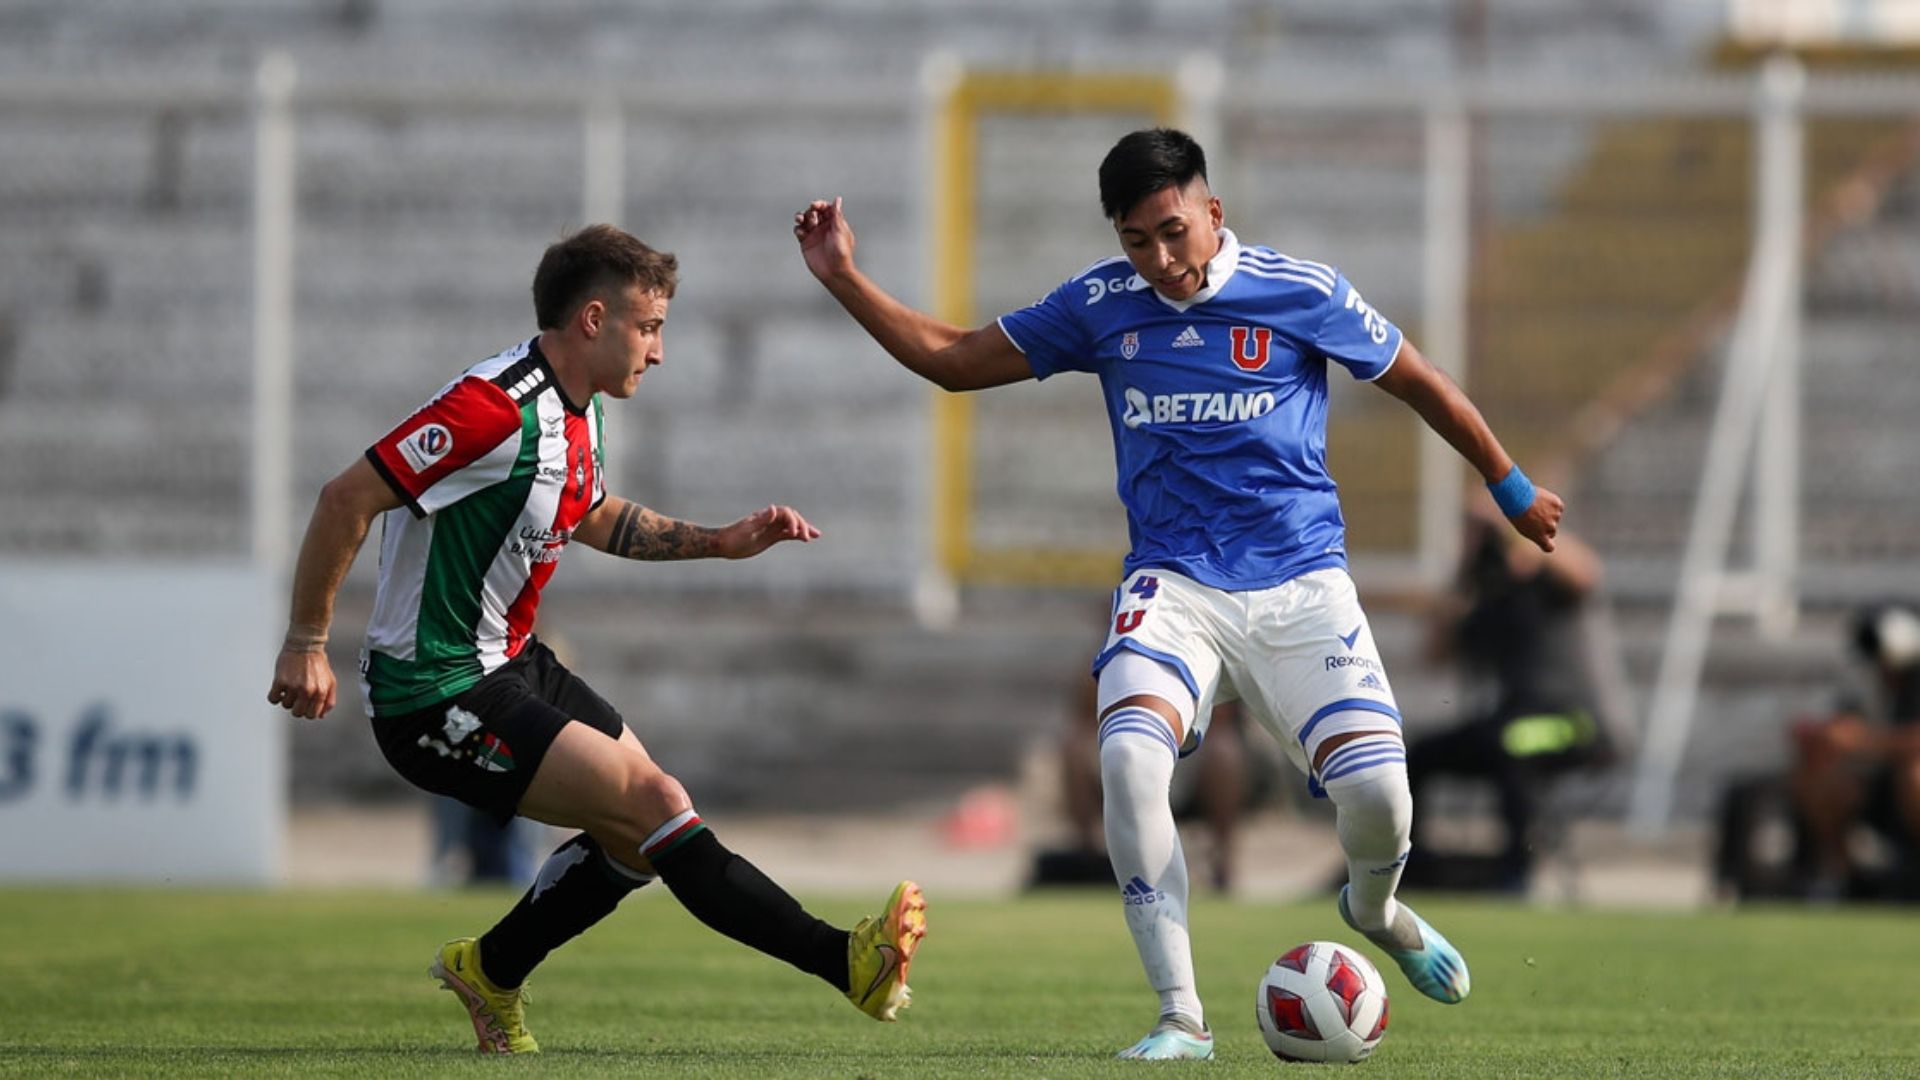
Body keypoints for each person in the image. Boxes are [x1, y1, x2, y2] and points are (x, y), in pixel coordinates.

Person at [797, 127, 1563, 1059]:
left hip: (1302, 587)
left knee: (1381, 803)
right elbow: (956, 358)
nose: (1159, 259)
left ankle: (1375, 908)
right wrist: (843, 278)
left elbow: (1421, 383)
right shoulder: (1100, 304)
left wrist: (1510, 484)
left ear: (1212, 212)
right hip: (1174, 587)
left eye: (1173, 232)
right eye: (1136, 240)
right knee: (1126, 760)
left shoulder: (1300, 290)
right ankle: (1180, 1017)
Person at [266, 224, 927, 1055]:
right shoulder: (491, 407)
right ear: (591, 319)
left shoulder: (575, 411)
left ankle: (491, 969)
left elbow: (594, 512)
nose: (658, 351)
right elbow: (343, 497)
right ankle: (844, 961)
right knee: (657, 808)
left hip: (511, 662)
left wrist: (718, 541)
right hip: (434, 693)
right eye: (648, 327)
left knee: (639, 836)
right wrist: (305, 641)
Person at [1403, 505, 1611, 893]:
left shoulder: (1552, 585)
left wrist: (1507, 517)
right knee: (1419, 754)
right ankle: (1409, 867)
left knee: (1509, 742)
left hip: (1573, 725)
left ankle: (1515, 875)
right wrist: (1463, 570)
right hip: (1510, 724)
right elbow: (1433, 655)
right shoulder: (1488, 597)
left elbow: (1588, 571)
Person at [1788, 602, 1920, 899]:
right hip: (1874, 787)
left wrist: (1865, 742)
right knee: (1819, 775)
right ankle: (1841, 876)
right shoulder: (1861, 682)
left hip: (1905, 785)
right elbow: (1838, 731)